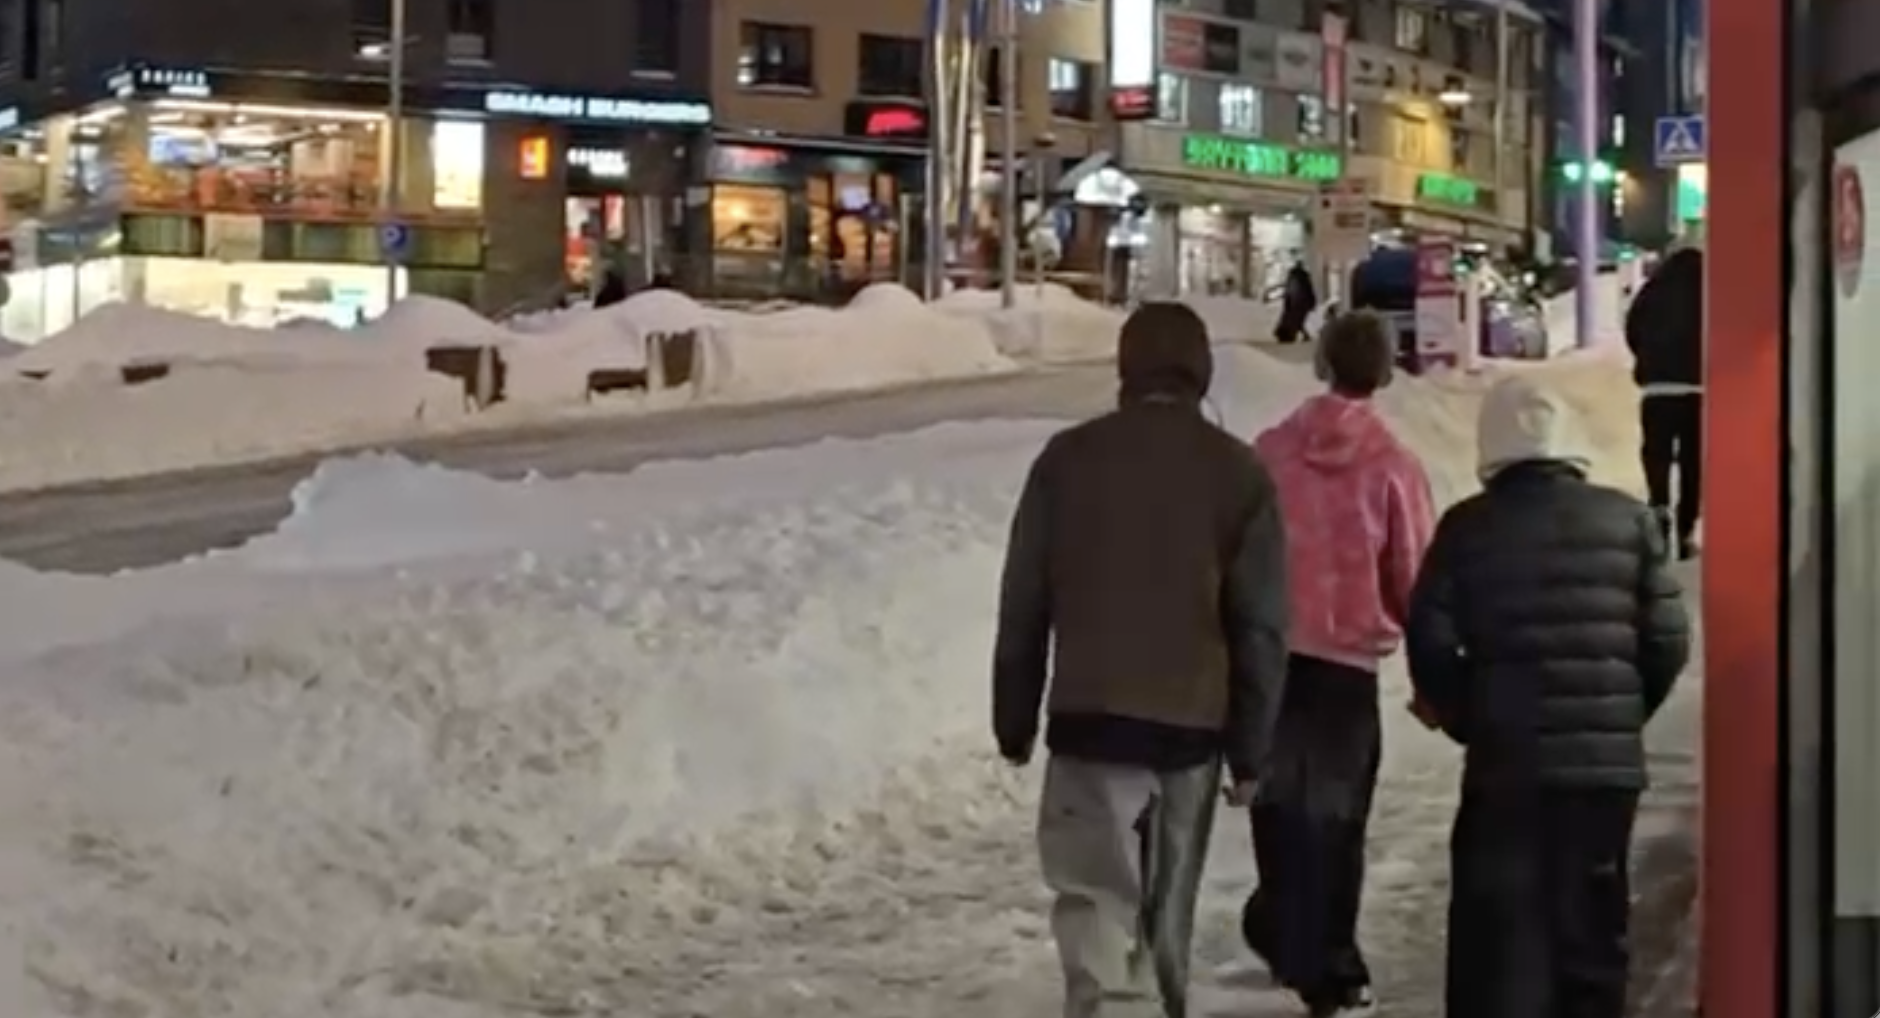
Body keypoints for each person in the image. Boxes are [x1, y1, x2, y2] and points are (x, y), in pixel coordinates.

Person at [992, 301, 1291, 1018]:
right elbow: (1260, 625)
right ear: (1202, 373)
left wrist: (1015, 719)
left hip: (1089, 719)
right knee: (1166, 910)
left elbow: (1025, 599)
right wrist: (1251, 751)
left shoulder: (1066, 461)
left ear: (1125, 369)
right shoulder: (1239, 473)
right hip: (1190, 731)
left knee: (1095, 901)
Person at [1404, 375, 1691, 1018]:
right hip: (1604, 780)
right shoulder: (1629, 520)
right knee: (1592, 929)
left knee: (1500, 935)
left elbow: (1427, 637)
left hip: (1506, 766)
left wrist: (1471, 719)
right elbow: (1668, 640)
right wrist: (1617, 713)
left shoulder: (1467, 528)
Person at [1241, 311, 1436, 1017]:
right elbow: (1415, 578)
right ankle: (1332, 966)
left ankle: (1280, 925)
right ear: (1383, 370)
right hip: (1347, 671)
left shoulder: (1268, 453)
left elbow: (1241, 558)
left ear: (1322, 363)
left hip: (1271, 660)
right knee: (1338, 818)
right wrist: (1430, 679)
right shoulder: (1394, 467)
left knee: (1277, 805)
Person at [1624, 245, 1704, 558]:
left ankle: (1659, 514)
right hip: (1698, 389)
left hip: (1657, 390)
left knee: (1656, 456)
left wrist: (1650, 358)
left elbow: (1633, 329)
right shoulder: (1709, 290)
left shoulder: (1653, 291)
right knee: (1692, 463)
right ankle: (1686, 532)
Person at [1275, 260, 1319, 344]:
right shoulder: (1303, 277)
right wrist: (1312, 302)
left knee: (1295, 320)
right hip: (1300, 303)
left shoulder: (1293, 278)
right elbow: (1309, 290)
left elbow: (1288, 291)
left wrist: (1287, 302)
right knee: (1298, 320)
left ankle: (1297, 335)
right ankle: (1302, 335)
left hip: (1295, 303)